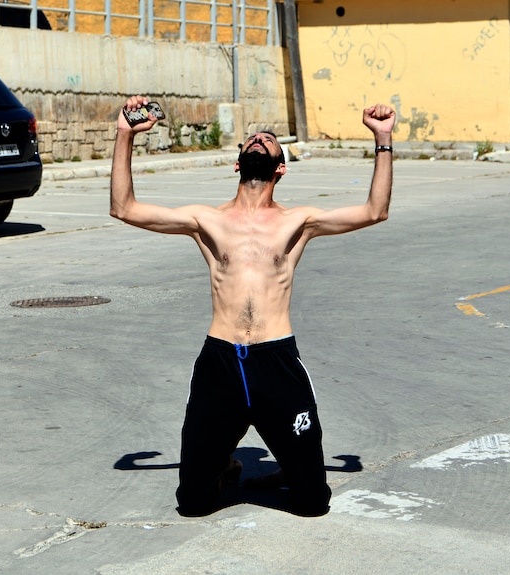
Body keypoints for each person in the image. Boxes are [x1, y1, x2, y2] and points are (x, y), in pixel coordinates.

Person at [110, 95, 395, 517]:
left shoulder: (298, 221)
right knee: (192, 505)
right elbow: (124, 208)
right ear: (238, 163)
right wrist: (124, 135)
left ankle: (290, 467)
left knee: (313, 504)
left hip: (276, 361)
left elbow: (375, 210)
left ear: (280, 167)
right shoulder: (206, 220)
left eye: (269, 140)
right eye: (252, 139)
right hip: (220, 362)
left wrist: (383, 140)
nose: (259, 140)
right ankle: (225, 466)